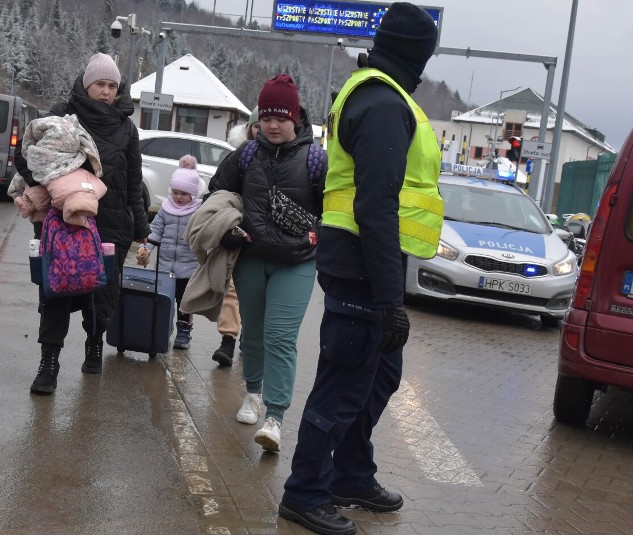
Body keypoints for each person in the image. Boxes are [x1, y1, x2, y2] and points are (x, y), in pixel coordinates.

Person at [279, 4, 444, 534]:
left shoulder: (378, 95)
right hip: (362, 268)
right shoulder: (381, 103)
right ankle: (305, 491)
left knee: (380, 375)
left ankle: (350, 472)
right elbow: (377, 206)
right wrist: (392, 299)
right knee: (344, 383)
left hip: (363, 263)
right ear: (415, 53)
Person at [208, 74, 326, 452]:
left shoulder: (315, 160)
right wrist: (226, 230)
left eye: (282, 117)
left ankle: (275, 416)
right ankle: (253, 394)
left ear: (296, 118)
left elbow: (333, 210)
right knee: (254, 335)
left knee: (281, 337)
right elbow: (217, 195)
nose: (273, 125)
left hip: (297, 262)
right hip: (252, 259)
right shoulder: (244, 156)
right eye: (267, 117)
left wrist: (319, 236)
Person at [21, 52, 149, 394]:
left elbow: (134, 182)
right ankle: (48, 364)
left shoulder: (126, 129)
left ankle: (95, 342)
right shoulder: (62, 117)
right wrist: (49, 184)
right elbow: (26, 157)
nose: (106, 91)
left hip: (112, 223)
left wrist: (141, 229)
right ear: (86, 85)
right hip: (64, 223)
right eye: (99, 84)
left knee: (103, 294)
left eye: (112, 86)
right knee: (56, 294)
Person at [136, 155, 203, 349]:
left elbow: (203, 236)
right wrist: (145, 248)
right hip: (165, 267)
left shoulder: (197, 212)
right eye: (175, 192)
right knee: (163, 301)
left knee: (184, 303)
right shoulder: (166, 209)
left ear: (193, 194)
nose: (178, 197)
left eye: (183, 193)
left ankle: (183, 332)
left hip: (188, 268)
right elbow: (155, 231)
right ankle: (162, 329)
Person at [213, 106, 259, 367]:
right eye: (257, 124)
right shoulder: (238, 158)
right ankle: (227, 340)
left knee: (255, 293)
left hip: (269, 239)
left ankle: (249, 338)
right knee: (233, 287)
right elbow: (218, 191)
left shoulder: (286, 159)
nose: (262, 129)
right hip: (240, 229)